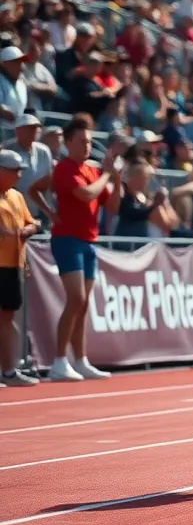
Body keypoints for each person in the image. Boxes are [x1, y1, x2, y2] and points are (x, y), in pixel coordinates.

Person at [27, 113, 125, 382]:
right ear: (68, 142)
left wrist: (115, 179)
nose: (86, 146)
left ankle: (79, 360)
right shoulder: (65, 169)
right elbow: (86, 195)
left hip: (89, 241)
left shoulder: (93, 171)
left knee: (82, 304)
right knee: (76, 299)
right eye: (81, 141)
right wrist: (49, 212)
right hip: (67, 240)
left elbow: (113, 206)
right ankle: (59, 361)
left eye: (89, 141)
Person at [0, 149, 39, 387]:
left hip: (12, 263)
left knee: (7, 316)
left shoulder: (16, 196)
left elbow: (32, 221)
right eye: (14, 170)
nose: (18, 175)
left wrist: (29, 230)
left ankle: (8, 370)